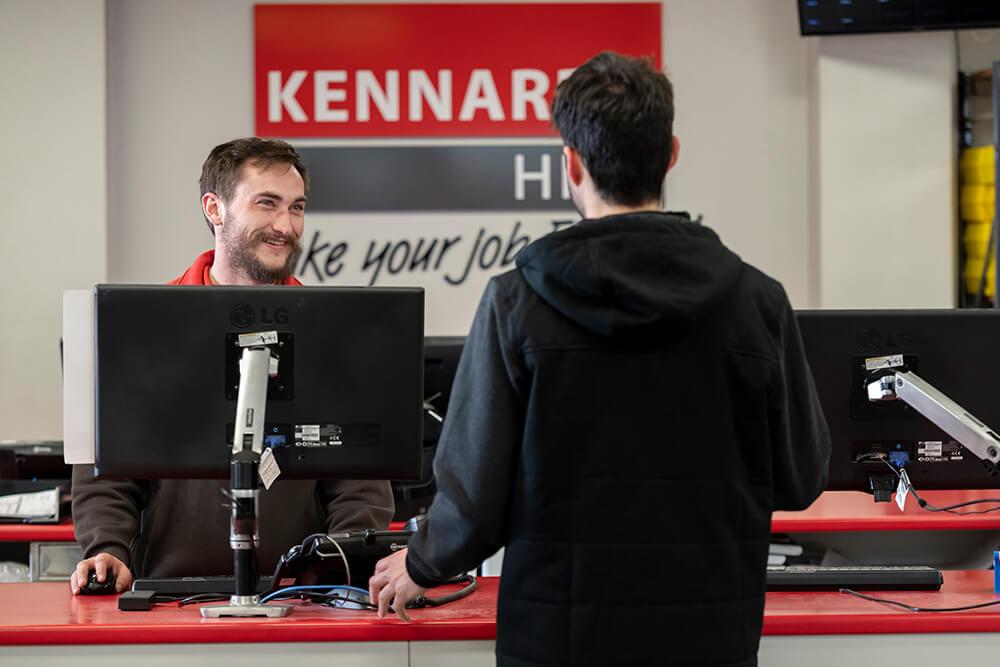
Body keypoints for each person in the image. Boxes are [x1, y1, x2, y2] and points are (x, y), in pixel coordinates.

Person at [368, 52, 831, 666]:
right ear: (670, 154)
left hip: (558, 640)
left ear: (572, 163)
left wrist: (422, 564)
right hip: (709, 638)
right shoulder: (758, 302)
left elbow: (474, 498)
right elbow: (800, 478)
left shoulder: (516, 300)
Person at [71, 137, 395, 594]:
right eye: (267, 203)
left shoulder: (334, 334)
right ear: (215, 209)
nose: (286, 225)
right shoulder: (146, 327)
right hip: (167, 601)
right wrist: (107, 549)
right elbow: (109, 470)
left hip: (304, 601)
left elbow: (358, 479)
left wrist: (342, 560)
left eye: (296, 207)